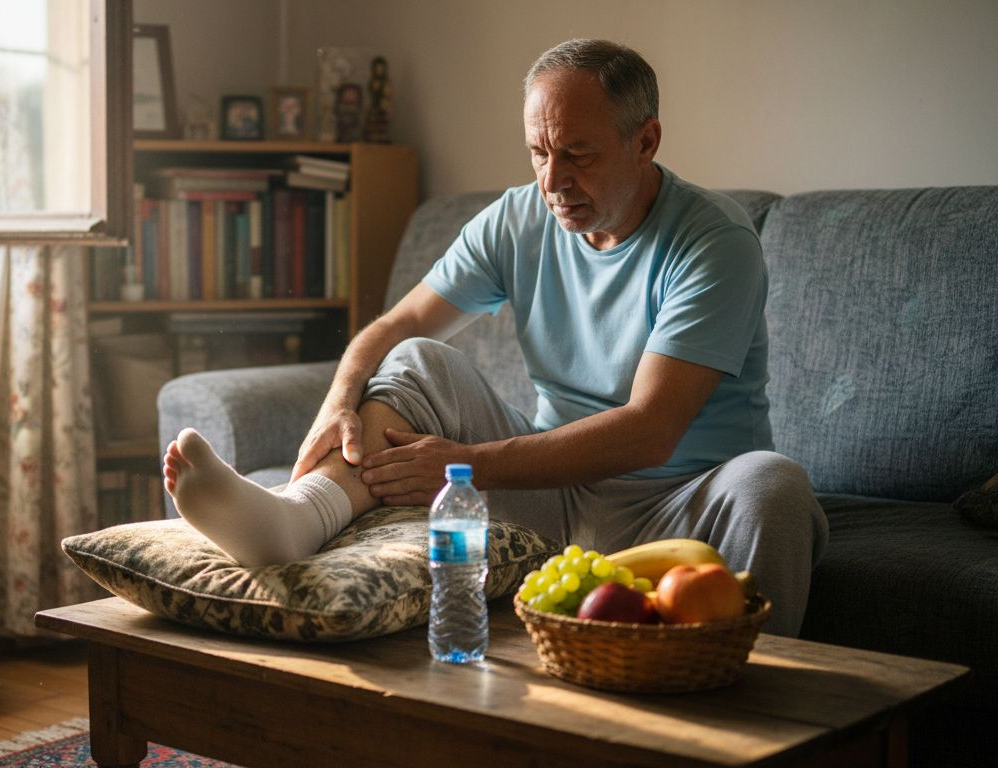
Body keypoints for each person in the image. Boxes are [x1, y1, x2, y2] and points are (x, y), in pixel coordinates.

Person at [164, 39, 828, 636]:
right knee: (419, 361)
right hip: (552, 494)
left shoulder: (714, 241)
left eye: (578, 154)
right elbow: (398, 325)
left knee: (772, 485)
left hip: (683, 501)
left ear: (646, 140)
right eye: (539, 152)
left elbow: (650, 430)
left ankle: (757, 705)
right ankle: (293, 519)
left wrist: (466, 466)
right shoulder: (519, 218)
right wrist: (338, 401)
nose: (553, 181)